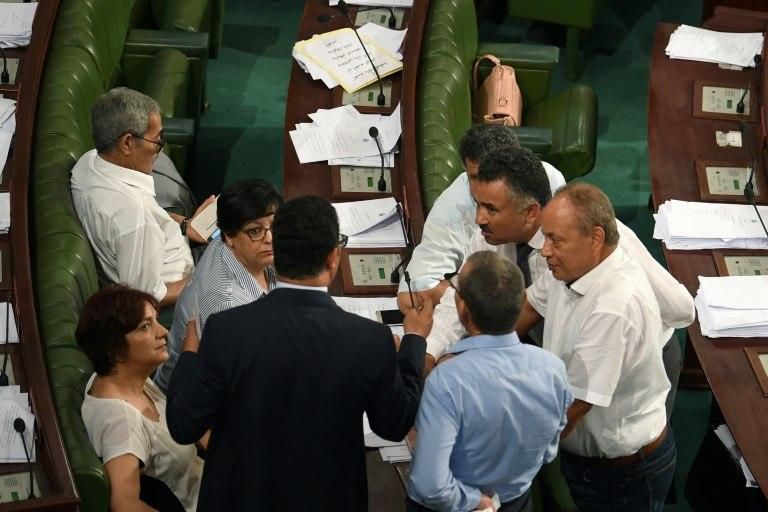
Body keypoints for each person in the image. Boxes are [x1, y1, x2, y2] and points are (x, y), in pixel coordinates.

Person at [165, 195, 433, 510]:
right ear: (334, 258)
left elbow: (185, 425)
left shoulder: (226, 330)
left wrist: (189, 355)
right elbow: (394, 424)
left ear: (277, 253)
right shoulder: (370, 340)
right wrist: (414, 339)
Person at [427, 147, 694, 419]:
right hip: (565, 361)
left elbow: (682, 309)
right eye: (477, 204)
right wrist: (436, 353)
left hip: (632, 365)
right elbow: (501, 302)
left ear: (530, 212)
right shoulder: (489, 236)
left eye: (491, 209)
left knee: (618, 439)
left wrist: (638, 324)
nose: (479, 218)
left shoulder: (602, 244)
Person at [516, 183, 677, 511]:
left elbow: (572, 406)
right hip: (590, 462)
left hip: (623, 477)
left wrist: (505, 458)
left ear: (596, 238)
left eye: (555, 240)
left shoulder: (613, 306)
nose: (545, 250)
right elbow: (530, 304)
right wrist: (473, 348)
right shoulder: (571, 266)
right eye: (545, 237)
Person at [407, 251, 572, 512]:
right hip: (517, 502)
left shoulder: (447, 381)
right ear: (520, 303)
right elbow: (549, 449)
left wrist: (478, 501)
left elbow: (431, 485)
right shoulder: (553, 369)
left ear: (462, 307)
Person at [71, 87, 215, 305]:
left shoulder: (87, 162)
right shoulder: (134, 216)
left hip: (180, 246)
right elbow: (145, 296)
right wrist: (212, 278)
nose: (159, 150)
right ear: (127, 143)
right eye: (157, 141)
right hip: (188, 280)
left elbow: (149, 221)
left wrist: (185, 225)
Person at [396, 125, 565, 309]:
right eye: (478, 176)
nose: (486, 185)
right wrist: (480, 297)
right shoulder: (455, 214)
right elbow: (410, 296)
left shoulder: (549, 178)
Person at [76, 285, 204, 512]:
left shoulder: (127, 376)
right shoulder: (121, 420)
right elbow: (125, 505)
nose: (163, 331)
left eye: (155, 320)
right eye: (145, 326)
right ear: (113, 347)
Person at [154, 178, 282, 392]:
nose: (270, 238)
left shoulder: (227, 245)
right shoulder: (229, 306)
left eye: (275, 226)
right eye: (255, 231)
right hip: (193, 401)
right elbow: (246, 384)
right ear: (229, 235)